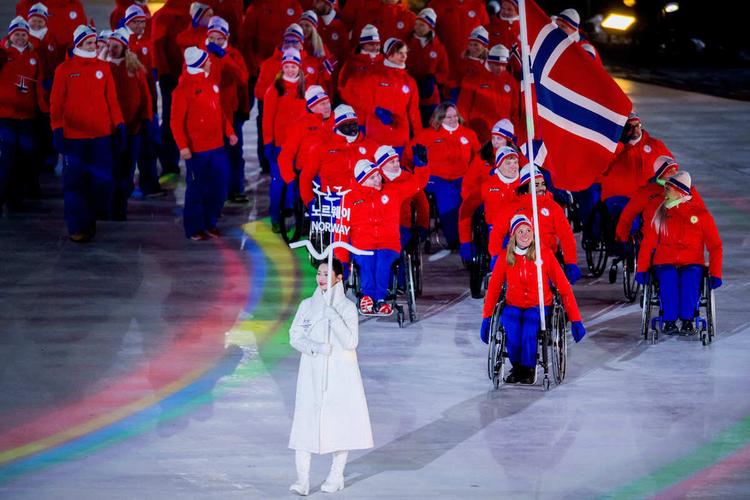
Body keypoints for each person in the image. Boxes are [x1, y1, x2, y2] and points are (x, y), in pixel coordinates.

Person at [288, 258, 373, 496]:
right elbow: (295, 336)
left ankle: (336, 475)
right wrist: (315, 347)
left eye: (327, 274)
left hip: (339, 372)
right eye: (319, 273)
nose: (321, 278)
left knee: (339, 423)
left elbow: (351, 342)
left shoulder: (346, 308)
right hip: (311, 371)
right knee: (305, 422)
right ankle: (302, 480)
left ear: (339, 278)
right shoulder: (307, 305)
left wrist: (333, 317)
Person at [481, 214, 586, 384]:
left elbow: (565, 289)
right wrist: (486, 318)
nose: (525, 234)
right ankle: (517, 367)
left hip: (539, 306)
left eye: (528, 230)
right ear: (513, 235)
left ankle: (529, 368)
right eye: (520, 231)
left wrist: (576, 320)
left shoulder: (544, 254)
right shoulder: (505, 258)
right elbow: (493, 290)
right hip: (514, 304)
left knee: (530, 327)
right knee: (511, 326)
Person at [50, 24, 125, 242]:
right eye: (89, 43)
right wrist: (57, 128)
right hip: (74, 138)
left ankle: (89, 221)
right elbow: (56, 103)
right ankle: (76, 227)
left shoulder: (104, 68)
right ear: (79, 44)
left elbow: (111, 99)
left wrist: (118, 124)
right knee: (75, 183)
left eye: (94, 42)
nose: (94, 46)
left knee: (98, 182)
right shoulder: (64, 69)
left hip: (101, 136)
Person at [635, 171, 722, 335]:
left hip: (692, 262)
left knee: (689, 278)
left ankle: (688, 319)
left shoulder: (701, 215)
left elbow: (715, 246)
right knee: (669, 277)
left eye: (669, 188)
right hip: (664, 262)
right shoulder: (660, 214)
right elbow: (648, 244)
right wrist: (641, 269)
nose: (665, 192)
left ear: (680, 191)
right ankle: (669, 319)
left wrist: (716, 273)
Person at [170, 46, 238, 240]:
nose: (210, 62)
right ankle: (194, 227)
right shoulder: (183, 90)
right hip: (197, 150)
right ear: (200, 63)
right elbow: (175, 121)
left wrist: (230, 132)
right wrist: (183, 146)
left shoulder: (211, 83)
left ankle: (210, 222)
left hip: (217, 147)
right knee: (197, 189)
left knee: (220, 186)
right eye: (207, 60)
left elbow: (219, 112)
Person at [347, 158, 423, 314]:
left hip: (388, 244)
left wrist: (422, 167)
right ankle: (367, 297)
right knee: (367, 262)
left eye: (378, 175)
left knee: (382, 263)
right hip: (362, 244)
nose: (378, 179)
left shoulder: (393, 191)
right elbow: (342, 225)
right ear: (363, 181)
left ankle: (381, 298)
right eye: (372, 177)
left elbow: (416, 185)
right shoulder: (350, 198)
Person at [489, 164, 581, 283]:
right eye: (536, 185)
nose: (541, 188)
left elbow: (566, 235)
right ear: (526, 187)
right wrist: (495, 256)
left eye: (543, 184)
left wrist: (571, 262)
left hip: (548, 260)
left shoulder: (553, 207)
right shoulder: (511, 208)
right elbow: (497, 232)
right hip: (518, 260)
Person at [416, 102, 480, 249]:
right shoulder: (427, 135)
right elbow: (410, 155)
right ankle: (455, 238)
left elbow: (478, 158)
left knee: (470, 194)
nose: (453, 119)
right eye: (448, 117)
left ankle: (472, 237)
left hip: (462, 177)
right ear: (439, 119)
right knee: (448, 196)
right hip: (437, 179)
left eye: (455, 116)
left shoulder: (468, 134)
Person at [106, 28, 153, 220]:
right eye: (109, 45)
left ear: (124, 46)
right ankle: (108, 202)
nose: (111, 49)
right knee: (111, 166)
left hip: (132, 128)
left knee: (126, 166)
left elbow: (145, 97)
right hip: (109, 128)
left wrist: (146, 120)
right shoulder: (103, 67)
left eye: (115, 46)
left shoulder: (134, 68)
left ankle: (120, 204)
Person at [0, 16, 44, 213]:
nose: (20, 38)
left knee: (23, 158)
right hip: (6, 116)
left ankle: (16, 198)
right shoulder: (3, 54)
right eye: (17, 34)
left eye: (23, 34)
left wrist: (43, 108)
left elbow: (39, 84)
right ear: (10, 35)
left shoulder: (34, 56)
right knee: (6, 159)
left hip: (27, 117)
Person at [262, 48, 307, 231]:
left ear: (299, 67)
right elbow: (267, 119)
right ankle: (275, 217)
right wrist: (268, 142)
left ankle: (297, 217)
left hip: (300, 148)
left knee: (298, 185)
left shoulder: (305, 88)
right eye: (287, 66)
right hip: (280, 147)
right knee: (278, 184)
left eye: (293, 66)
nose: (290, 70)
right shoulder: (275, 90)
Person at [299, 104, 378, 208]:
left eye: (354, 123)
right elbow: (306, 177)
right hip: (333, 201)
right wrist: (310, 203)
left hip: (363, 201)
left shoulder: (371, 146)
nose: (352, 128)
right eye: (346, 124)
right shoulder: (322, 148)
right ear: (337, 126)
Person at [353, 37, 421, 153]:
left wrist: (419, 137)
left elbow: (414, 111)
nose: (404, 56)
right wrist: (376, 110)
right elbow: (361, 101)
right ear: (389, 54)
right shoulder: (373, 76)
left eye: (405, 53)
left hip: (400, 139)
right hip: (376, 138)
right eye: (399, 53)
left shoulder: (409, 81)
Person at [615, 156, 704, 243]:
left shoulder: (687, 188)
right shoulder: (647, 191)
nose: (674, 174)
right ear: (660, 175)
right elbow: (628, 214)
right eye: (670, 171)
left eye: (675, 170)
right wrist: (622, 237)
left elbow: (700, 211)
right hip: (653, 239)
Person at [151, 0, 192, 182]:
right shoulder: (164, 15)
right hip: (175, 77)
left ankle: (174, 163)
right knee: (171, 120)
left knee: (175, 119)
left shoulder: (192, 12)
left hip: (188, 76)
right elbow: (158, 45)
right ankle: (169, 162)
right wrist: (165, 73)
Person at [458, 145, 520, 262]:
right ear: (499, 165)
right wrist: (465, 241)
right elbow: (465, 211)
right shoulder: (487, 186)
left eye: (515, 162)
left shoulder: (526, 184)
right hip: (496, 231)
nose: (513, 167)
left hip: (521, 229)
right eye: (508, 163)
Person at [277, 84, 333, 196]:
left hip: (331, 178)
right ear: (312, 107)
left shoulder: (338, 122)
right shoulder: (300, 125)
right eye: (322, 104)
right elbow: (285, 155)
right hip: (306, 179)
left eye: (328, 102)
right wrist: (291, 180)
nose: (327, 106)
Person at [457, 43, 519, 144]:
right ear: (489, 61)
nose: (500, 69)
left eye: (503, 65)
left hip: (502, 136)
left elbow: (515, 110)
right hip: (478, 134)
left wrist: (514, 132)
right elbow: (463, 108)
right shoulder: (473, 78)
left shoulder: (511, 81)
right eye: (497, 65)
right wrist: (464, 132)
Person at [406, 8, 450, 126]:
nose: (417, 27)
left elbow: (445, 73)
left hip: (429, 97)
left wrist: (433, 78)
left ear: (430, 27)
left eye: (422, 25)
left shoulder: (438, 48)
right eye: (416, 24)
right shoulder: (407, 42)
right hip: (408, 93)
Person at [429, 0, 489, 71]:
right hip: (444, 68)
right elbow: (428, 35)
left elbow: (487, 36)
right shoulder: (436, 4)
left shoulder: (478, 5)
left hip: (471, 69)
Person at [337, 24, 382, 118]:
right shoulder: (351, 63)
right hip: (357, 113)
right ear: (363, 45)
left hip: (379, 116)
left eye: (377, 44)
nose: (375, 48)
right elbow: (342, 88)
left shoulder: (384, 63)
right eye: (371, 44)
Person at [448, 25, 489, 102]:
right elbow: (452, 80)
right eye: (470, 44)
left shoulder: (490, 65)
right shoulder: (462, 62)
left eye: (476, 44)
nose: (472, 48)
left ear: (484, 46)